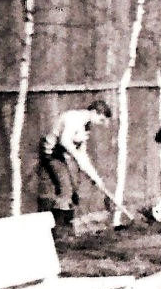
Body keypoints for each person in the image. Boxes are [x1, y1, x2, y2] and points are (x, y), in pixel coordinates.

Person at [38, 99, 113, 237]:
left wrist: (95, 178)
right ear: (94, 112)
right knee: (66, 189)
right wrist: (77, 155)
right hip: (52, 154)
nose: (100, 123)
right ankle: (58, 232)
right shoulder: (75, 118)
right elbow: (64, 141)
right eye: (101, 119)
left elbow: (82, 155)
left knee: (75, 189)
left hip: (65, 155)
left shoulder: (86, 125)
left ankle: (68, 228)